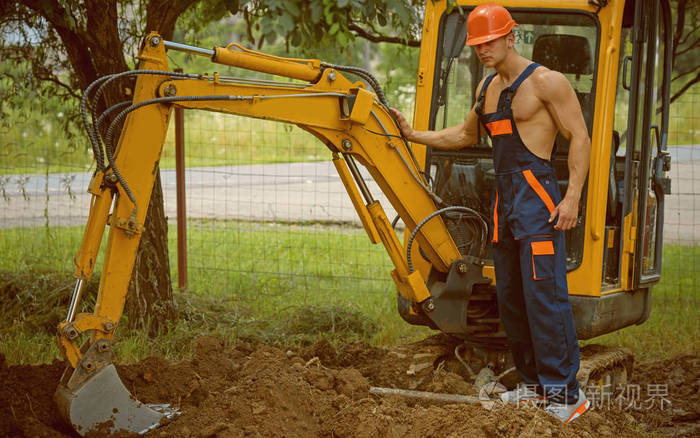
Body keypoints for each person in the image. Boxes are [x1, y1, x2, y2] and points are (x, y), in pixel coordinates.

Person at [391, 3, 591, 423]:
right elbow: (464, 134)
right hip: (505, 207)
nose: (482, 49)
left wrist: (571, 198)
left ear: (510, 36)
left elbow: (580, 139)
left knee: (544, 299)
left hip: (538, 203)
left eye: (489, 40)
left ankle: (567, 395)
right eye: (477, 43)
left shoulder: (546, 83)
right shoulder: (488, 89)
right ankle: (535, 387)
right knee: (512, 302)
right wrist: (412, 134)